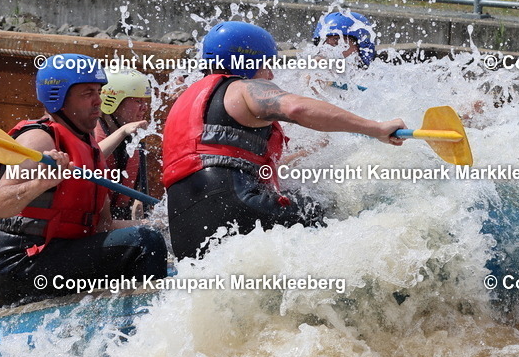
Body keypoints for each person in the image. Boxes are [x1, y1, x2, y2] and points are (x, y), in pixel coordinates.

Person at [163, 21, 405, 260]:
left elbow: (220, 158)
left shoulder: (187, 100)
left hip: (185, 233)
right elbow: (298, 108)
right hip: (235, 206)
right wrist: (375, 128)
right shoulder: (243, 88)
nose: (271, 74)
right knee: (326, 211)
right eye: (267, 64)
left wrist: (306, 152)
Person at [0, 54, 167, 306]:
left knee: (149, 234)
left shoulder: (89, 147)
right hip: (24, 267)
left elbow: (103, 226)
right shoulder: (40, 140)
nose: (98, 101)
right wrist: (41, 183)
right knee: (144, 243)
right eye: (87, 93)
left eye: (99, 91)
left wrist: (159, 224)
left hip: (61, 257)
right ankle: (141, 326)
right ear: (58, 97)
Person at [94, 68, 152, 221]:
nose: (144, 108)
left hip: (118, 221)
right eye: (138, 101)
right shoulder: (91, 134)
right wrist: (122, 131)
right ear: (112, 102)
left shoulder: (133, 140)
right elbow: (89, 160)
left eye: (145, 102)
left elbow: (137, 204)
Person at [313, 10, 377, 68]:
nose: (331, 51)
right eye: (325, 46)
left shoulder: (375, 77)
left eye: (338, 44)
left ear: (362, 49)